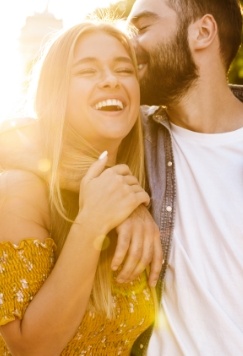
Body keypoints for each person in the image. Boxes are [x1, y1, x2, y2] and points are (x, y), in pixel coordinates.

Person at [0, 21, 163, 355]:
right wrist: (93, 221)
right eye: (87, 71)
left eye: (124, 69)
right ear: (57, 92)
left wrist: (126, 201)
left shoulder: (151, 175)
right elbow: (30, 349)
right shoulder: (21, 190)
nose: (110, 79)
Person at [127, 0, 243, 355]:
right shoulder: (128, 138)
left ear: (203, 32)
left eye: (142, 28)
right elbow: (31, 142)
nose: (127, 45)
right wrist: (123, 199)